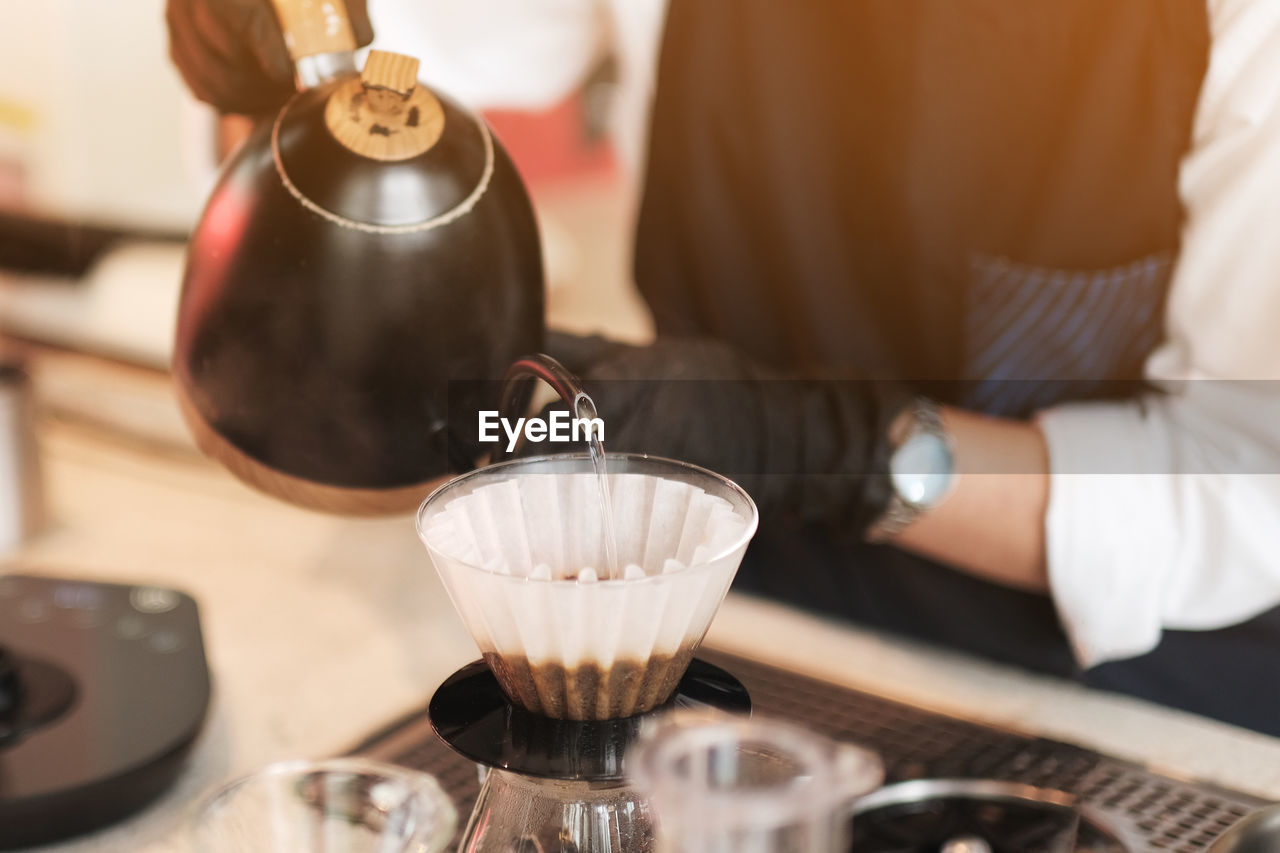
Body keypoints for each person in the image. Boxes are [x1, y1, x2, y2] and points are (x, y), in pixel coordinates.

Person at [167, 0, 1280, 734]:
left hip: (1111, 683)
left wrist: (816, 448)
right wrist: (282, 45)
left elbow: (1244, 483)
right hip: (717, 592)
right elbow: (452, 36)